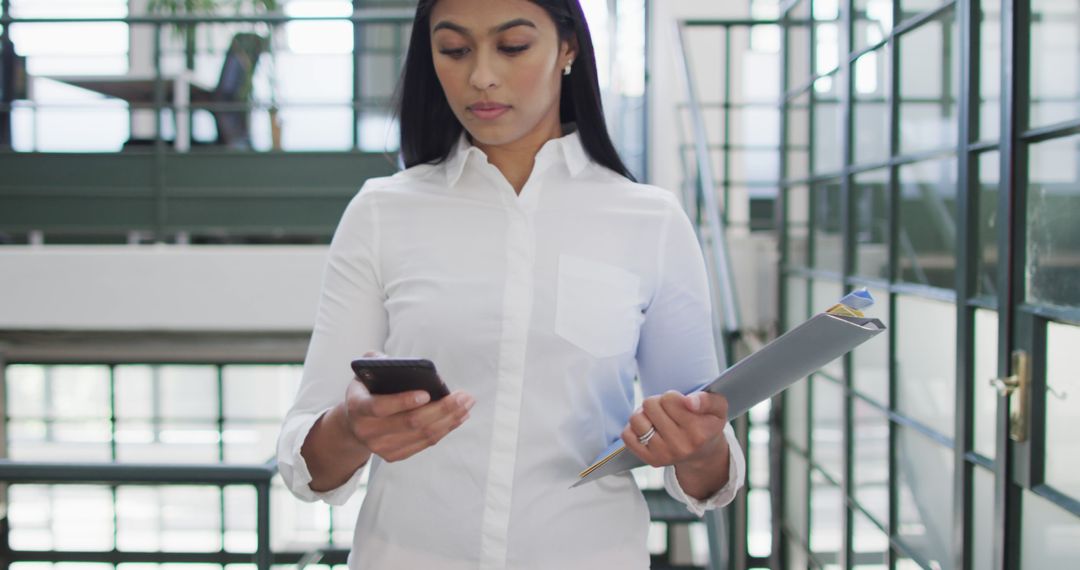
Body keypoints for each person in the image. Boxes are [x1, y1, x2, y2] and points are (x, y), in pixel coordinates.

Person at [276, 0, 745, 567]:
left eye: (513, 46)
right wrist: (353, 429)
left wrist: (699, 448)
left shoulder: (652, 222)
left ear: (568, 47)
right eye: (453, 50)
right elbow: (308, 469)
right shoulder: (381, 213)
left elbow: (706, 471)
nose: (480, 76)